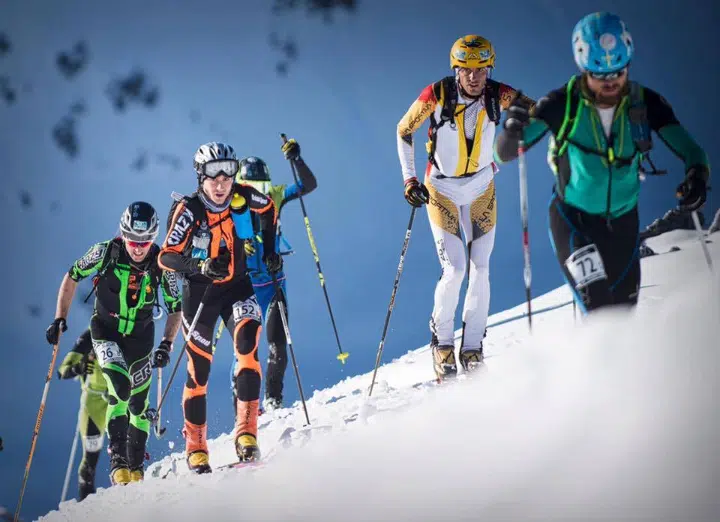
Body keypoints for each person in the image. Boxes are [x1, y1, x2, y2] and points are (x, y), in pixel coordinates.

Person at [494, 12, 710, 313]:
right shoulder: (561, 104)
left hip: (624, 225)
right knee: (599, 313)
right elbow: (503, 154)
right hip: (574, 221)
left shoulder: (645, 103)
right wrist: (510, 129)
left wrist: (697, 177)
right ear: (584, 69)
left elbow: (692, 150)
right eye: (600, 75)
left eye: (618, 73)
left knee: (623, 318)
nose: (610, 83)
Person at [396, 34, 535, 380]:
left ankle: (472, 347)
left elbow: (538, 114)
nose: (474, 77)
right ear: (456, 69)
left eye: (481, 70)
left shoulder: (498, 94)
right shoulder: (437, 94)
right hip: (441, 188)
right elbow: (404, 130)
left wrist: (525, 121)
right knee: (455, 269)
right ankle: (442, 342)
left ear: (489, 69)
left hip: (481, 187)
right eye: (466, 70)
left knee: (481, 268)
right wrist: (410, 180)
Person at [158, 142, 282, 473]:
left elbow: (269, 208)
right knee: (199, 371)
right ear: (201, 177)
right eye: (213, 176)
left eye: (227, 175)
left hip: (238, 287)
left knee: (248, 347)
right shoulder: (189, 210)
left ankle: (247, 434)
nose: (221, 184)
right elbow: (166, 256)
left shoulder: (242, 195)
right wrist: (199, 267)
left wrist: (270, 249)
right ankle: (196, 447)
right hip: (201, 295)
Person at [46, 202, 183, 485]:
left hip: (141, 338)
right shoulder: (104, 252)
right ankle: (118, 463)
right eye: (132, 240)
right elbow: (72, 276)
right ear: (123, 234)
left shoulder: (162, 264)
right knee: (120, 388)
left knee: (139, 406)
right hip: (106, 332)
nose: (138, 248)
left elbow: (175, 307)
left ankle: (137, 468)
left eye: (145, 241)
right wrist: (59, 318)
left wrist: (166, 344)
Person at [229, 138, 318, 412]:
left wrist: (296, 159)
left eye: (264, 189)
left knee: (278, 345)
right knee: (246, 350)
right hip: (244, 287)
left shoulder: (275, 196)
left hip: (273, 282)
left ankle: (273, 401)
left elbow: (308, 185)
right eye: (253, 189)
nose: (260, 195)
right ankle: (244, 411)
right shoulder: (231, 202)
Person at [57, 328, 108, 500]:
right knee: (91, 460)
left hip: (117, 400)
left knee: (125, 451)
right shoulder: (88, 337)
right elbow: (62, 371)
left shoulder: (124, 328)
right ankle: (86, 501)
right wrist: (79, 367)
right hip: (93, 405)